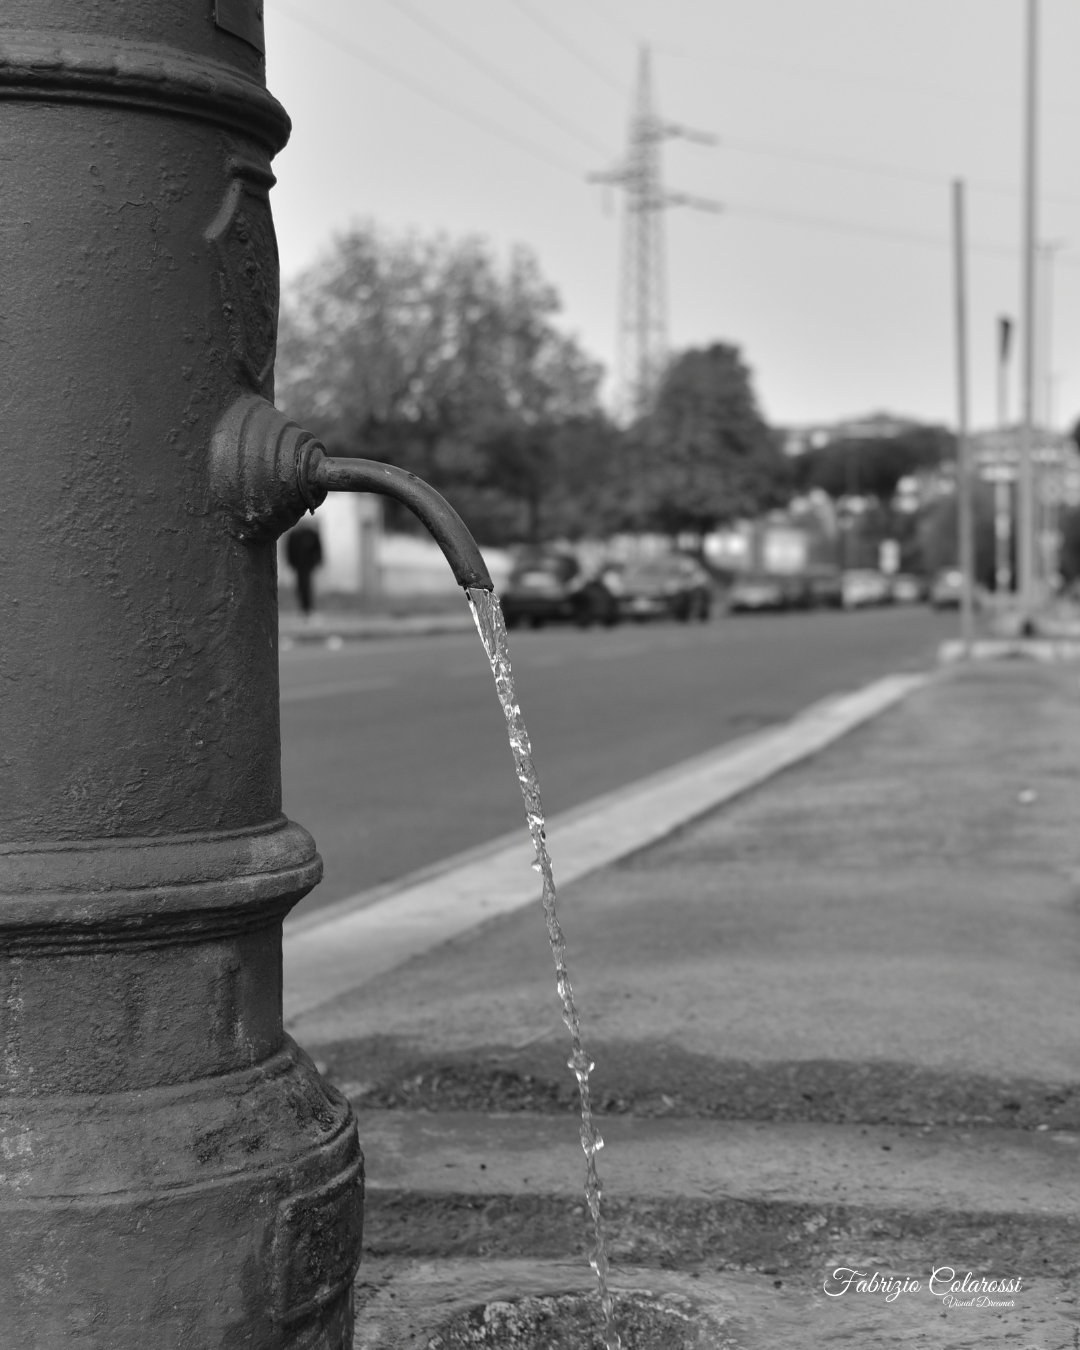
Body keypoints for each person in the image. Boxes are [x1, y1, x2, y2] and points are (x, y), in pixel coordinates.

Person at [285, 522, 323, 616]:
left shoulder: (311, 534)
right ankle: (304, 607)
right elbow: (289, 549)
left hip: (308, 565)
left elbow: (318, 548)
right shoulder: (294, 535)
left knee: (307, 585)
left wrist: (318, 561)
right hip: (299, 565)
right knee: (301, 586)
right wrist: (291, 563)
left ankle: (308, 607)